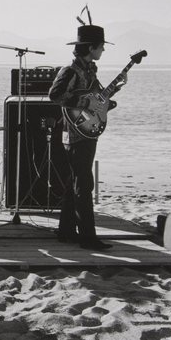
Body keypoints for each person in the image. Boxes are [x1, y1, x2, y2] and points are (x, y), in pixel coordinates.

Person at [48, 22, 126, 250]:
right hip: (75, 133)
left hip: (84, 130)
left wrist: (114, 91)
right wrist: (85, 102)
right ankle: (88, 238)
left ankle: (66, 232)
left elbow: (98, 99)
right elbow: (55, 95)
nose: (103, 51)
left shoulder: (90, 70)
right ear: (91, 47)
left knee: (75, 181)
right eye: (101, 47)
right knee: (84, 183)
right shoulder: (70, 70)